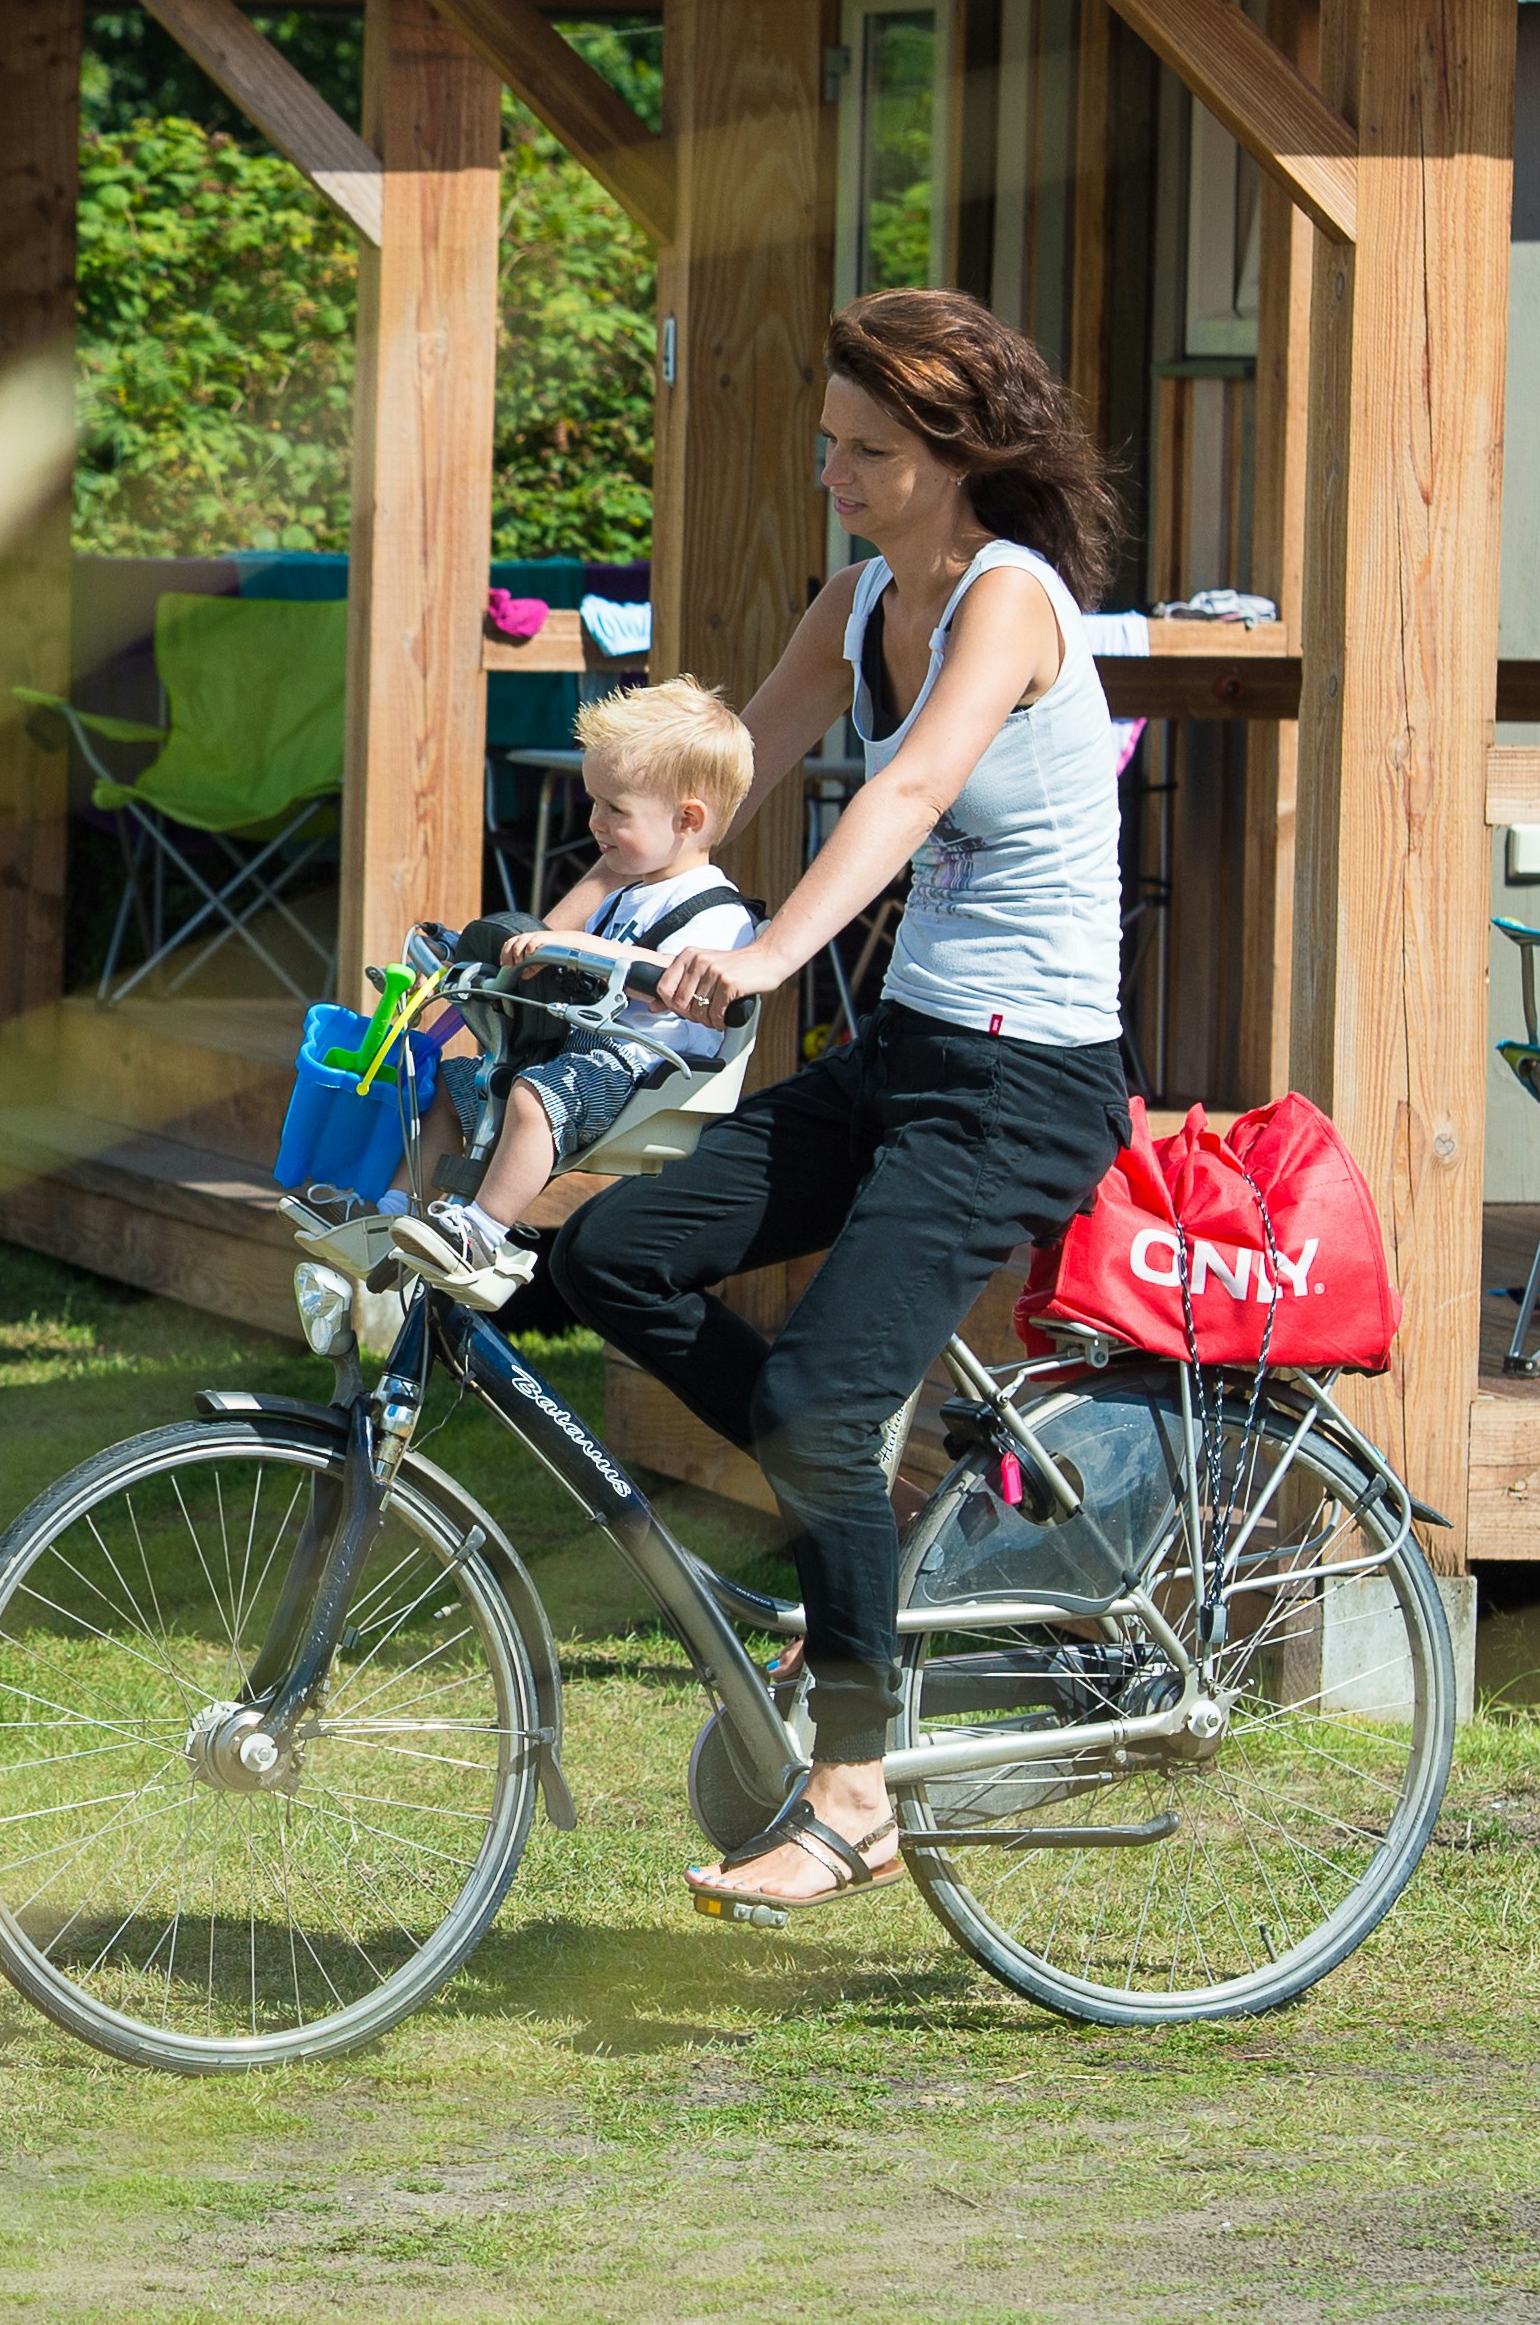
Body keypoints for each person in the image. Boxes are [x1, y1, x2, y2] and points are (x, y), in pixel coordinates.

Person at [425, 288, 1132, 1922]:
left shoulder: (1007, 600)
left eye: (870, 451)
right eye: (827, 442)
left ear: (956, 455)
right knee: (610, 1259)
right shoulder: (860, 593)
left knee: (812, 1391)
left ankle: (855, 1790)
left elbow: (904, 786)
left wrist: (764, 953)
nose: (836, 471)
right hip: (910, 1051)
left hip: (1024, 1080)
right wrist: (595, 911)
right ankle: (866, 1529)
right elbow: (731, 768)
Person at [401, 678, 757, 1248]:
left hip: (645, 1069)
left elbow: (681, 986)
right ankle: (399, 1207)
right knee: (456, 1079)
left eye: (615, 809)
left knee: (533, 1094)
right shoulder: (624, 895)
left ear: (688, 820)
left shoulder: (718, 910)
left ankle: (484, 1230)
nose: (595, 821)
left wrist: (593, 951)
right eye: (595, 802)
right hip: (581, 1050)